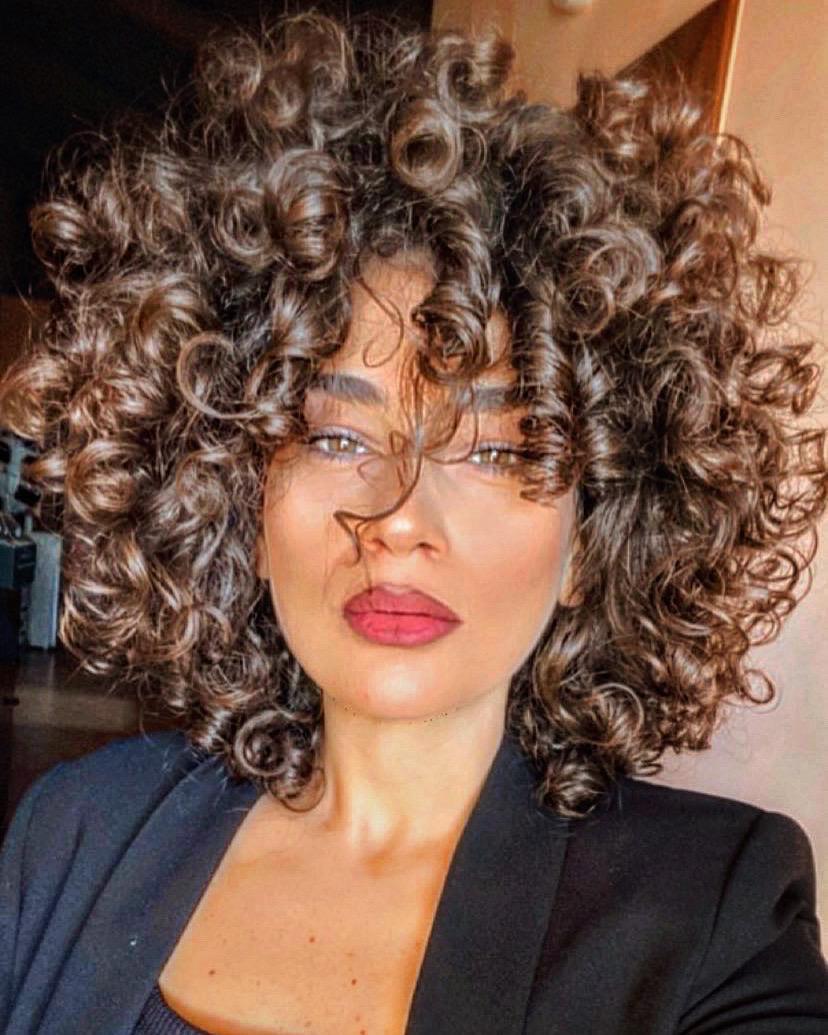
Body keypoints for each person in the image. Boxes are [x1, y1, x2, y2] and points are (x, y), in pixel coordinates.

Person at [1, 11, 827, 1035]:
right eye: (335, 437)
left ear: (591, 538)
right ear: (237, 494)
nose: (398, 519)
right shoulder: (74, 832)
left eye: (498, 451)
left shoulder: (713, 916)